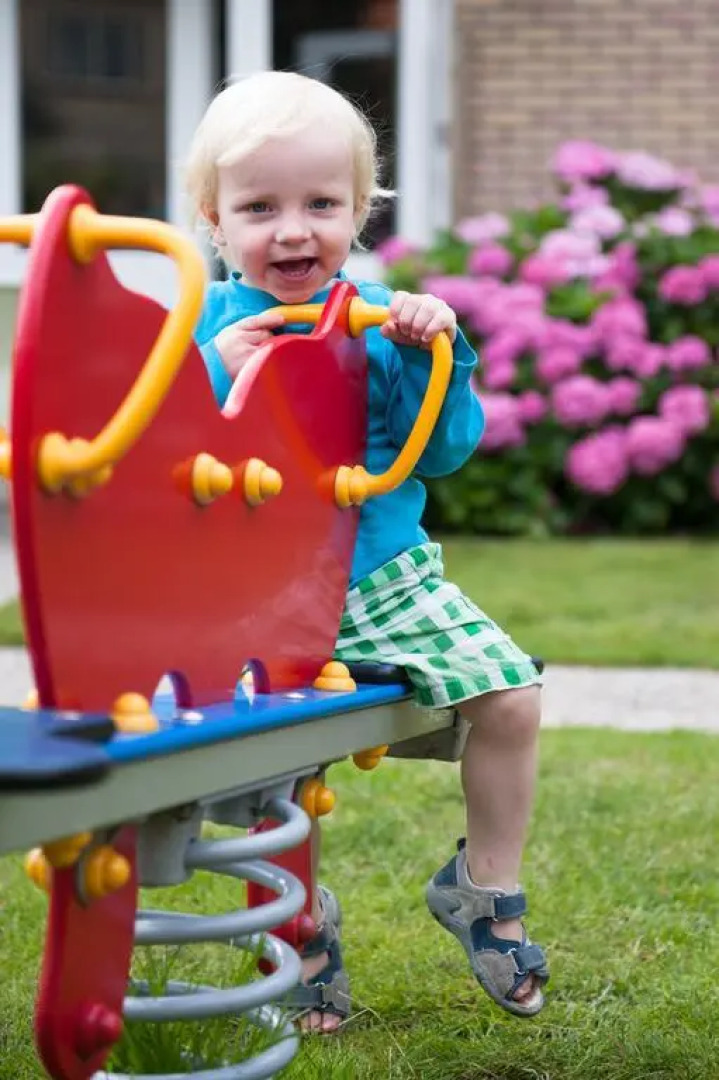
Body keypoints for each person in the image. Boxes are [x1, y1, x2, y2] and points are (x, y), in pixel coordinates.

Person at [187, 70, 548, 1034]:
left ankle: (484, 890)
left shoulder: (384, 325)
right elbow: (164, 471)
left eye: (321, 203)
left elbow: (444, 449)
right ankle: (295, 931)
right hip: (251, 595)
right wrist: (207, 380)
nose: (293, 230)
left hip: (383, 579)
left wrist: (439, 352)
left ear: (360, 211)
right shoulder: (204, 333)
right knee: (275, 770)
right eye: (260, 208)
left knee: (511, 695)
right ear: (213, 222)